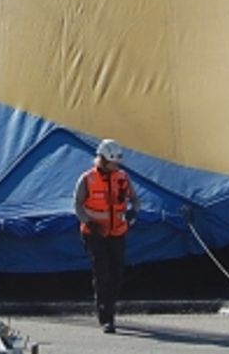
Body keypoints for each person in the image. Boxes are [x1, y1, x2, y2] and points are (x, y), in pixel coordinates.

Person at [73, 138, 139, 333]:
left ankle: (110, 307)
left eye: (117, 162)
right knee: (102, 273)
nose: (115, 165)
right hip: (94, 233)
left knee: (116, 273)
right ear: (102, 159)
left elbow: (135, 200)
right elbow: (77, 204)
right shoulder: (87, 179)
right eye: (112, 162)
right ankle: (106, 317)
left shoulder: (123, 177)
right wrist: (89, 222)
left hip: (117, 232)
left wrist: (133, 212)